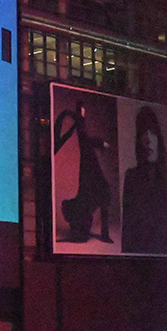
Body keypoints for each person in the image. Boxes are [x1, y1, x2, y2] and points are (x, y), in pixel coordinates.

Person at [121, 106, 167, 254]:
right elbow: (127, 233)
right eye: (142, 133)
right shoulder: (131, 178)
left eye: (152, 133)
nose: (147, 139)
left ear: (159, 139)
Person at [55, 102, 113, 243]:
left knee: (102, 192)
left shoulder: (82, 207)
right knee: (102, 192)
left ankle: (104, 234)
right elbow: (84, 138)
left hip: (91, 181)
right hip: (90, 181)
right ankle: (104, 234)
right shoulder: (82, 209)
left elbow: (84, 139)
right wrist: (101, 143)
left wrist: (100, 143)